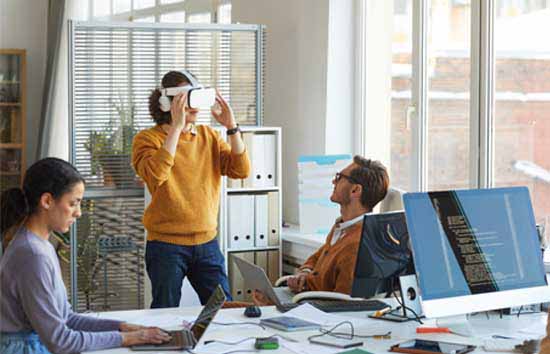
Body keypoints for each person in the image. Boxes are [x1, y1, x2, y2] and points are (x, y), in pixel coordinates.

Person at [0, 158, 170, 354]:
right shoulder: (32, 254)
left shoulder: (41, 246)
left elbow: (67, 318)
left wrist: (122, 327)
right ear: (47, 201)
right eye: (73, 203)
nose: (79, 213)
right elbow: (61, 341)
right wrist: (128, 338)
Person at [132, 70, 250, 308]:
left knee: (223, 310)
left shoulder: (209, 136)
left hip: (207, 243)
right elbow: (156, 175)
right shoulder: (146, 139)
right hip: (166, 245)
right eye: (187, 99)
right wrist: (176, 128)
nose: (194, 106)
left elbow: (241, 170)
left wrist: (231, 127)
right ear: (167, 102)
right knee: (165, 313)